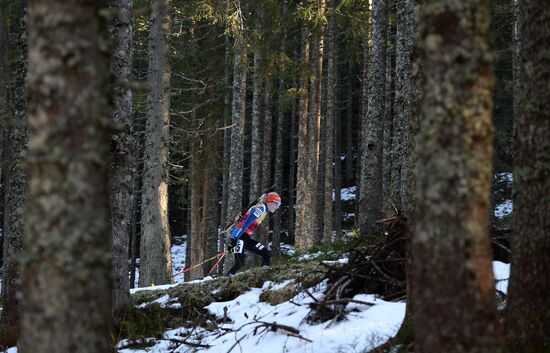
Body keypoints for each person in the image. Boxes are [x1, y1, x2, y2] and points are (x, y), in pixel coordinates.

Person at [226, 192, 282, 277]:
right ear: (270, 202)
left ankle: (263, 276)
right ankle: (226, 280)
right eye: (277, 204)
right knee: (239, 262)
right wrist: (234, 241)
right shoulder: (260, 210)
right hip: (240, 236)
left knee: (266, 254)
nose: (278, 207)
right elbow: (244, 224)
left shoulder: (263, 209)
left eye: (279, 204)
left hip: (245, 237)